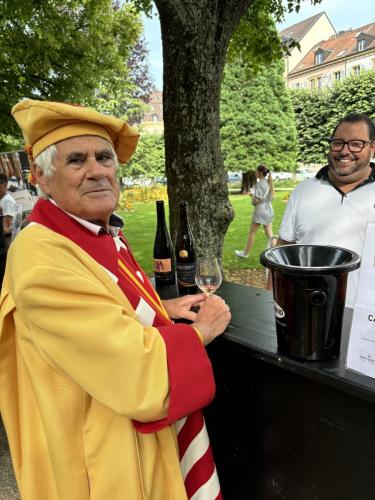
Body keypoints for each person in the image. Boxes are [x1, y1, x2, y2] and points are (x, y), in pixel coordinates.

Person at [0, 99, 231, 500]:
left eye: (104, 157)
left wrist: (163, 309)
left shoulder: (94, 232)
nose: (98, 171)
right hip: (98, 453)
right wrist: (200, 331)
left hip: (119, 436)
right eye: (77, 160)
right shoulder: (41, 256)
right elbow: (132, 368)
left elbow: (107, 303)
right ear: (41, 176)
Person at [271, 113, 375, 307]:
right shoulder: (303, 191)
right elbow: (282, 251)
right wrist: (271, 299)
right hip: (305, 310)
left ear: (372, 147)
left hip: (366, 318)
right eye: (338, 143)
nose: (345, 151)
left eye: (356, 144)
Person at [235, 164, 276, 258]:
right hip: (269, 209)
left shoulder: (259, 184)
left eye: (256, 171)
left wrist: (252, 196)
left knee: (252, 233)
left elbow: (256, 201)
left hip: (260, 211)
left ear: (260, 173)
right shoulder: (269, 183)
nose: (255, 172)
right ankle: (278, 252)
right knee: (269, 233)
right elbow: (270, 198)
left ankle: (245, 253)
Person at [0, 173, 16, 247]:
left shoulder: (7, 201)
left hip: (8, 242)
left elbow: (6, 227)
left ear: (5, 185)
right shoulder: (3, 200)